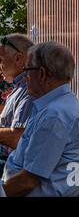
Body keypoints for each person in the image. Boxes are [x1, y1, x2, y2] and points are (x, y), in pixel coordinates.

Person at [0, 42, 79, 197]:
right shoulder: (57, 106)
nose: (25, 76)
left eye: (27, 70)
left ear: (42, 74)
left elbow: (28, 182)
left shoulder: (55, 116)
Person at [0, 34, 35, 175]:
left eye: (1, 60)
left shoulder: (28, 90)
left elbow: (17, 138)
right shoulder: (19, 88)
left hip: (12, 164)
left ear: (18, 58)